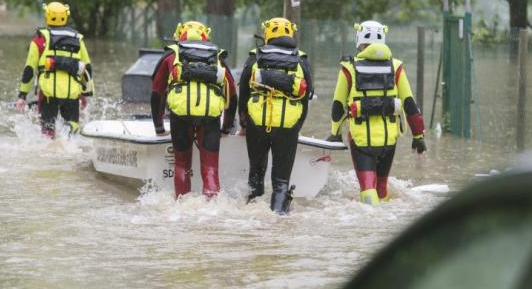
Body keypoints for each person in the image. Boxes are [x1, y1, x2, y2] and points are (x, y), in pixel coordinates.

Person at [327, 20, 426, 205]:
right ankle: (386, 224)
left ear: (359, 39)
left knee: (367, 188)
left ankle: (370, 228)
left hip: (361, 140)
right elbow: (410, 104)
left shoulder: (348, 68)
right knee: (381, 187)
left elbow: (338, 106)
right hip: (389, 140)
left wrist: (334, 134)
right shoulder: (396, 67)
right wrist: (418, 136)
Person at [150, 21, 237, 198]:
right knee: (211, 167)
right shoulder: (217, 57)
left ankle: (182, 207)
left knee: (182, 165)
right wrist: (227, 127)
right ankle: (212, 208)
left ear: (180, 35)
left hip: (180, 115)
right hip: (210, 116)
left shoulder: (171, 55)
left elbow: (157, 93)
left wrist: (159, 127)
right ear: (206, 35)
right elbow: (232, 95)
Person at [237, 17, 312, 214]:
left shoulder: (255, 56)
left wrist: (244, 124)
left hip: (257, 121)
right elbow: (306, 97)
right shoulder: (301, 59)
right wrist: (297, 125)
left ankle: (252, 215)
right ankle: (278, 220)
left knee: (256, 173)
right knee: (281, 181)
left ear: (267, 33)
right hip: (288, 124)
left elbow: (243, 93)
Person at [16, 2, 93, 138]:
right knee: (72, 131)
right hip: (72, 94)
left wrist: (22, 96)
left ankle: (50, 151)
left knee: (47, 133)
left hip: (48, 94)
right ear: (66, 17)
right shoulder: (78, 40)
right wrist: (85, 94)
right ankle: (70, 141)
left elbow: (29, 69)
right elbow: (87, 69)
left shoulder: (39, 40)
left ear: (47, 17)